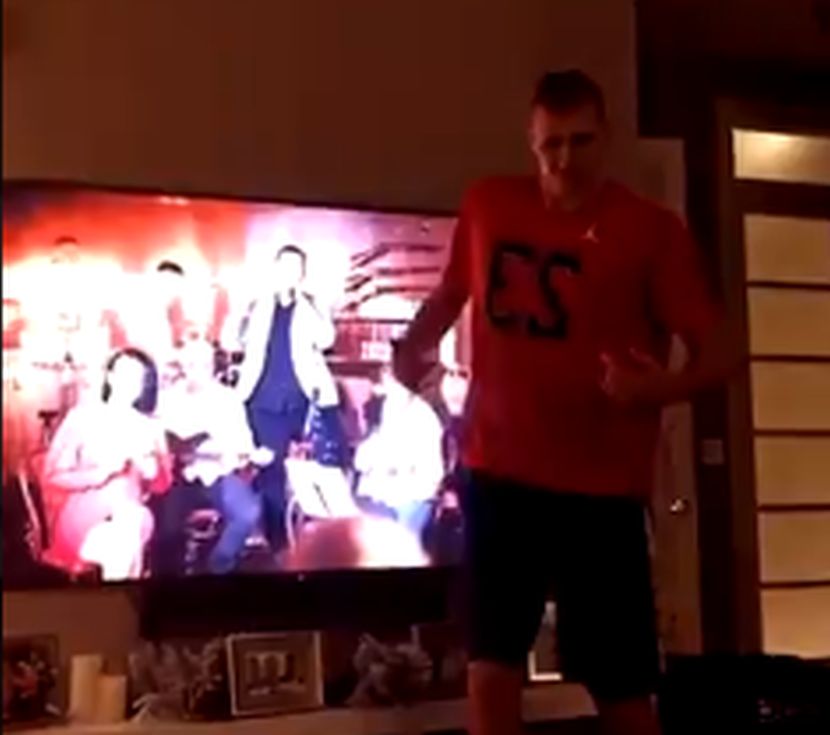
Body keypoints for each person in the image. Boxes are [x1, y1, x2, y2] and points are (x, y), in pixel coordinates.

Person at [393, 70, 736, 735]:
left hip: (600, 492)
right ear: (531, 141)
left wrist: (655, 388)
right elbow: (449, 295)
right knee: (491, 667)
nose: (565, 159)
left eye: (581, 141)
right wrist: (413, 348)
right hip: (500, 476)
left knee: (622, 687)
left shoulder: (651, 231)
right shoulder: (489, 204)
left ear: (605, 138)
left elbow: (722, 353)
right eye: (552, 144)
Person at [234, 244, 338, 556]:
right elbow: (233, 340)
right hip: (262, 399)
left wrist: (315, 305)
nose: (290, 273)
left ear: (302, 274)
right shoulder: (258, 304)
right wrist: (240, 309)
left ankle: (295, 538)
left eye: (296, 268)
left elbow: (326, 340)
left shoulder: (311, 305)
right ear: (276, 270)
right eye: (285, 267)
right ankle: (277, 541)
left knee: (299, 469)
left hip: (299, 399)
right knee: (271, 470)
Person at [41, 348, 172, 580]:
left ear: (142, 386)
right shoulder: (81, 418)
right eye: (123, 374)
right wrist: (100, 473)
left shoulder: (150, 427)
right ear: (110, 377)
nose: (127, 383)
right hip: (85, 519)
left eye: (136, 378)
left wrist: (152, 470)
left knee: (130, 525)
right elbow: (52, 477)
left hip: (132, 515)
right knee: (125, 543)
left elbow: (162, 485)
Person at [155, 341, 273, 575]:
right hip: (179, 477)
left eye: (204, 365)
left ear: (213, 367)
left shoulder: (228, 399)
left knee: (248, 512)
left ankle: (219, 564)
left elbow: (244, 443)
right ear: (183, 367)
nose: (198, 371)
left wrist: (244, 456)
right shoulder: (167, 399)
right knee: (166, 528)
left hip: (219, 474)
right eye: (192, 365)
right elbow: (160, 440)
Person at [354, 365, 444, 543]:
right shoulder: (388, 409)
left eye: (394, 381)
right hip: (383, 497)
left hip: (411, 499)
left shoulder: (424, 418)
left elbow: (432, 476)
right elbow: (362, 458)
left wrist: (396, 470)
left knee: (395, 544)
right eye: (387, 379)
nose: (389, 387)